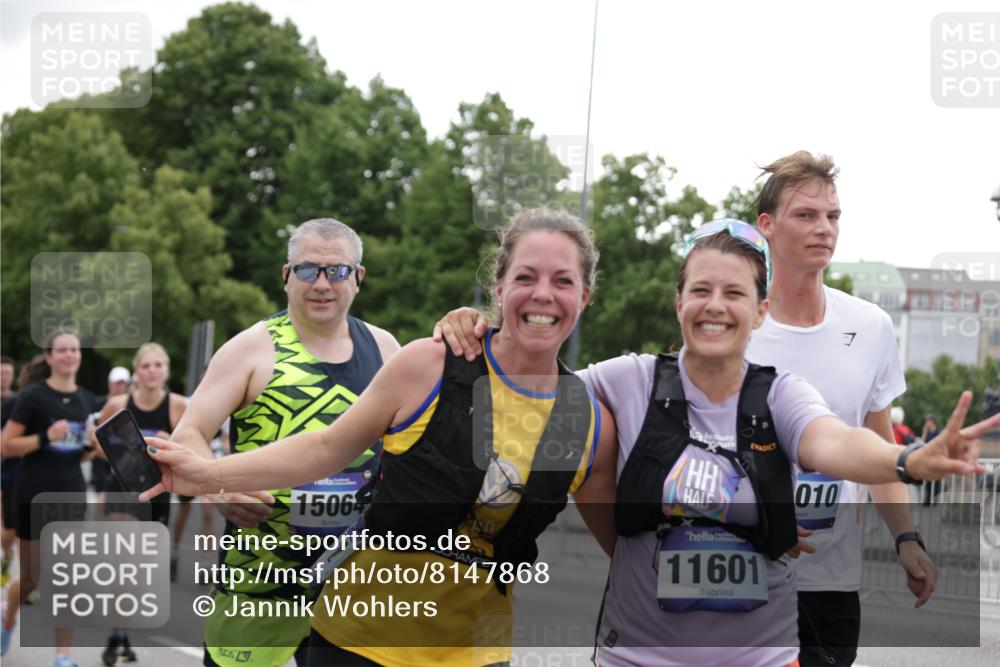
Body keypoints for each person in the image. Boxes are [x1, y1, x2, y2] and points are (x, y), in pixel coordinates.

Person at [433, 221, 994, 666]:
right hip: (636, 656)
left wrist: (906, 460)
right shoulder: (628, 379)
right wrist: (476, 327)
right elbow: (532, 376)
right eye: (700, 290)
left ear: (761, 310)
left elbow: (837, 443)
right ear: (679, 302)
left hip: (765, 656)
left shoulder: (781, 394)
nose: (716, 305)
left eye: (734, 292)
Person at [140, 207, 619, 667]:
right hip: (307, 606)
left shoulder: (588, 424)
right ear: (497, 286)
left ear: (586, 296)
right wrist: (213, 479)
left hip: (471, 648)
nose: (542, 294)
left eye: (563, 281)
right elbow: (323, 447)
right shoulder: (416, 361)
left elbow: (631, 553)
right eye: (525, 276)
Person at [166, 218, 400, 667]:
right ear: (286, 276)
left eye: (337, 271)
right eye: (308, 269)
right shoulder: (250, 349)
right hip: (260, 576)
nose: (322, 284)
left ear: (359, 277)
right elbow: (190, 434)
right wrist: (220, 488)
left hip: (352, 581)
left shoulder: (386, 348)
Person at [1, 329, 98, 667]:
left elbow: (81, 456)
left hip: (70, 493)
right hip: (31, 493)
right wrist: (45, 436)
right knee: (29, 580)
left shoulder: (87, 399)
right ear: (49, 356)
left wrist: (89, 445)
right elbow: (7, 445)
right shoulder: (32, 397)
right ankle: (8, 619)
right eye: (62, 350)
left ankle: (63, 656)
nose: (70, 355)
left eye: (75, 349)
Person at [89, 343, 187, 665]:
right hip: (120, 492)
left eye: (159, 365)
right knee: (125, 566)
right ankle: (116, 637)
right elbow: (97, 440)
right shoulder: (118, 403)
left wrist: (170, 443)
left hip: (158, 493)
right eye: (146, 366)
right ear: (137, 371)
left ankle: (123, 634)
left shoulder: (178, 407)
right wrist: (124, 450)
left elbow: (192, 449)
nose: (152, 371)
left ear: (167, 370)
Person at [90, 367, 133, 505]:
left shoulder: (131, 404)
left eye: (122, 383)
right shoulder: (97, 403)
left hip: (122, 457)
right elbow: (91, 430)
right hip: (102, 458)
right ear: (109, 383)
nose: (119, 386)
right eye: (116, 383)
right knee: (102, 500)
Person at [1, 355, 19, 586]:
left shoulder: (18, 401)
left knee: (9, 525)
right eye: (1, 373)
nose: (4, 377)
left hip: (9, 469)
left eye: (8, 373)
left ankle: (7, 559)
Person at [921, 414, 942, 506]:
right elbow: (921, 444)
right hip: (928, 460)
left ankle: (935, 500)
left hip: (936, 459)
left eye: (927, 421)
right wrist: (924, 433)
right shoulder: (928, 434)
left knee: (936, 481)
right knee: (928, 481)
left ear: (932, 422)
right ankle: (928, 500)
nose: (926, 424)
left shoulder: (938, 433)